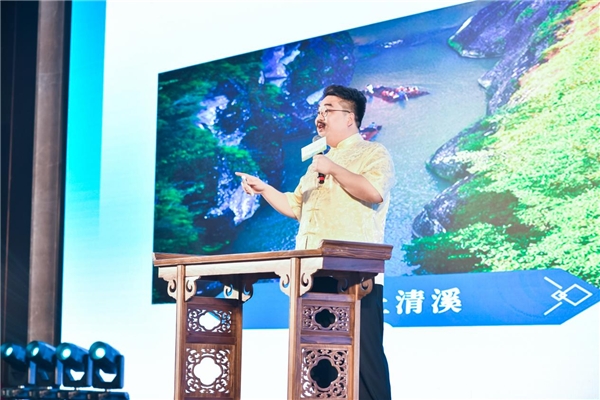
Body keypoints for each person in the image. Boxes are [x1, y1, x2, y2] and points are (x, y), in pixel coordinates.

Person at [236, 84, 395, 400]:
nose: (320, 116)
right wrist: (264, 188)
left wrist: (332, 167)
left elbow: (374, 191)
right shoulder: (317, 164)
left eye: (328, 110)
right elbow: (295, 206)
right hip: (311, 274)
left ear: (350, 117)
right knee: (320, 363)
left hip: (354, 276)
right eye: (319, 111)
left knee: (364, 362)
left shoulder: (373, 152)